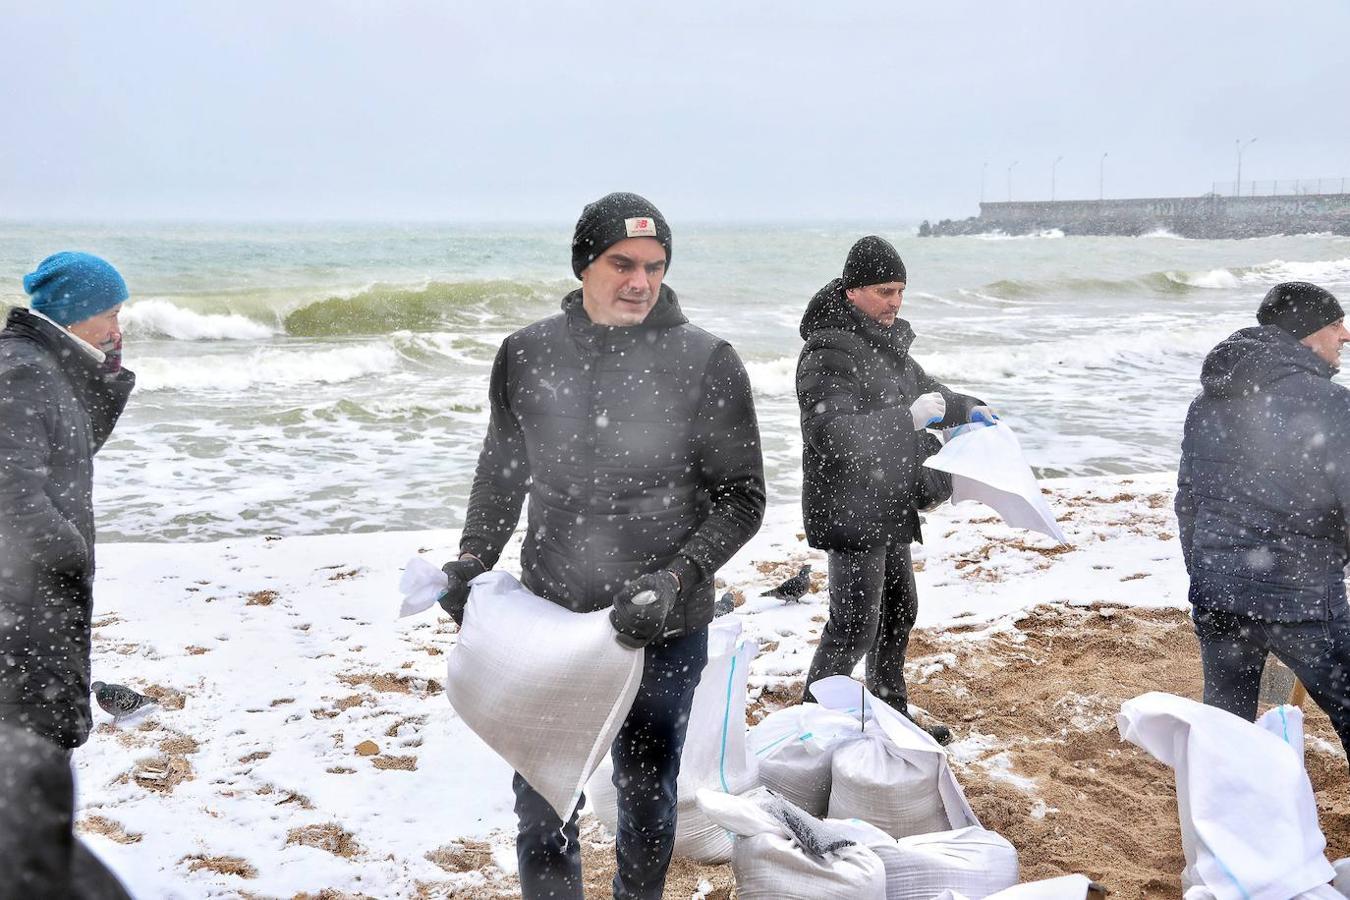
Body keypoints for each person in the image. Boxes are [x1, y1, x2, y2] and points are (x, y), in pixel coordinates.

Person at [439, 192, 765, 899]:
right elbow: (502, 474)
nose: (639, 282)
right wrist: (473, 558)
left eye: (654, 266)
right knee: (541, 806)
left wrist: (677, 580)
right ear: (584, 263)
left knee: (648, 794)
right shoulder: (527, 353)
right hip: (551, 619)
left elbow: (744, 497)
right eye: (622, 263)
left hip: (663, 624)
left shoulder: (706, 360)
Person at [796, 235, 989, 740]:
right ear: (852, 291)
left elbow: (934, 395)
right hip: (849, 507)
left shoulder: (888, 345)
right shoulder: (826, 350)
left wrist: (971, 410)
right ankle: (812, 731)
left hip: (889, 500)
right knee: (852, 627)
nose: (895, 302)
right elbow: (829, 433)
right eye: (885, 291)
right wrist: (905, 419)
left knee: (900, 612)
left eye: (900, 290)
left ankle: (890, 715)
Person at [1177, 281, 1350, 761]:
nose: (1346, 335)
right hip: (1303, 600)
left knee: (1227, 727)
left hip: (1219, 597)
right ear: (1308, 333)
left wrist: (1208, 569)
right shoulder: (1332, 405)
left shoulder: (1207, 403)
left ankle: (1227, 825)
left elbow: (1188, 502)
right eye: (1336, 323)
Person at [0, 252, 135, 752]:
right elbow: (6, 490)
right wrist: (68, 552)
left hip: (39, 583)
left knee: (44, 726)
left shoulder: (47, 362)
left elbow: (75, 444)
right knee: (31, 729)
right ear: (75, 311)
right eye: (111, 314)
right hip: (25, 589)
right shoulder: (21, 369)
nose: (117, 325)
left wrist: (110, 369)